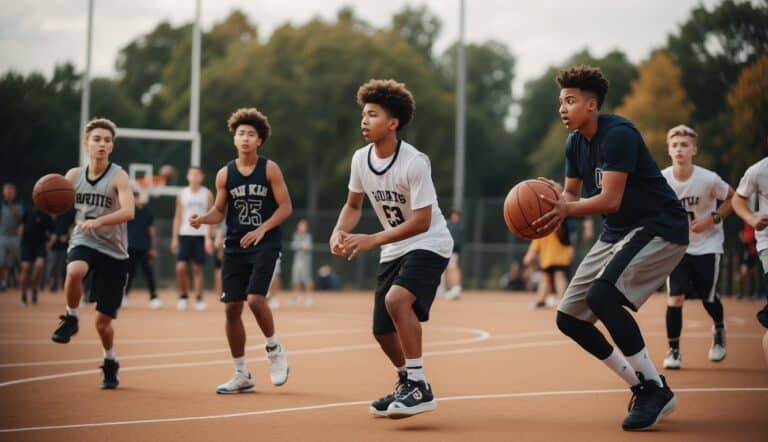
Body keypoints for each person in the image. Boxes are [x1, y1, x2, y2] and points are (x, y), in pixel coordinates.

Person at [534, 66, 689, 431]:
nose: (563, 108)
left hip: (658, 225)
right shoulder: (574, 142)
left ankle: (655, 387)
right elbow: (572, 194)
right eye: (561, 101)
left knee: (603, 296)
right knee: (569, 318)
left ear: (592, 105)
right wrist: (554, 200)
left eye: (570, 101)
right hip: (618, 231)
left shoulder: (618, 134)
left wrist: (567, 208)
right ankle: (640, 384)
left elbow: (610, 199)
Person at [329, 79, 453, 418]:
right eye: (363, 114)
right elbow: (353, 206)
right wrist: (340, 230)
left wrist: (371, 239)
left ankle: (420, 386)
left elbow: (422, 221)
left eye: (372, 114)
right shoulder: (360, 159)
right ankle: (406, 381)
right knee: (382, 330)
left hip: (429, 242)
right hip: (395, 247)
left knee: (397, 300)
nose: (364, 121)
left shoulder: (414, 162)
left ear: (393, 123)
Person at [190, 107, 291, 394]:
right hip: (235, 246)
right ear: (234, 139)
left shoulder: (269, 169)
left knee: (255, 300)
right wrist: (203, 219)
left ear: (259, 140)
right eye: (240, 133)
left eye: (251, 134)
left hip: (265, 243)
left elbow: (286, 207)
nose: (245, 138)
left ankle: (274, 349)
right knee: (232, 308)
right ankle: (241, 373)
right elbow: (219, 211)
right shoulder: (225, 174)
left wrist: (262, 229)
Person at [49, 117, 135, 390]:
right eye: (97, 139)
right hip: (85, 239)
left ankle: (110, 361)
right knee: (75, 271)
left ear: (112, 147)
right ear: (87, 143)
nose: (102, 144)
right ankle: (71, 316)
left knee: (102, 324)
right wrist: (51, 207)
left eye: (107, 140)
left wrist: (99, 220)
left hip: (114, 251)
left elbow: (129, 212)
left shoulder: (118, 176)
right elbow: (58, 202)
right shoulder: (73, 176)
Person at [660, 124, 734, 369]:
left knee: (708, 297)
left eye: (684, 145)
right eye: (675, 145)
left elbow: (734, 198)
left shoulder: (708, 178)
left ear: (694, 150)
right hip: (678, 246)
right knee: (675, 297)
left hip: (708, 244)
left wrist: (711, 220)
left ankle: (719, 330)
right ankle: (674, 351)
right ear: (669, 150)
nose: (679, 149)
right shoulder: (662, 179)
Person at [731, 156, 768, 366]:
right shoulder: (759, 170)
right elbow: (737, 199)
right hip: (765, 243)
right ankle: (742, 291)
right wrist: (752, 219)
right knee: (747, 270)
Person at [171, 166, 213, 311]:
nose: (194, 176)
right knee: (180, 268)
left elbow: (210, 217)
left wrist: (208, 238)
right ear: (188, 176)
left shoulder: (207, 193)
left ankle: (199, 298)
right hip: (184, 234)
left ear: (202, 176)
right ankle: (183, 296)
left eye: (197, 174)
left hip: (200, 235)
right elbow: (177, 216)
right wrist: (175, 238)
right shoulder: (182, 194)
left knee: (197, 268)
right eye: (191, 174)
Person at [523, 220, 573, 309]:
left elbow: (567, 240)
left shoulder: (559, 226)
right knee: (545, 279)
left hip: (559, 256)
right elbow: (536, 244)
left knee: (559, 276)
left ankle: (561, 301)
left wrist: (530, 255)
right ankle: (542, 301)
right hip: (548, 258)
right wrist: (530, 254)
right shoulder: (541, 231)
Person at [125, 186, 160, 309]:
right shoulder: (127, 211)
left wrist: (153, 248)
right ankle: (124, 296)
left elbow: (152, 231)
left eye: (136, 196)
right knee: (129, 273)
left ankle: (154, 297)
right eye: (132, 196)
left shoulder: (147, 212)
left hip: (144, 247)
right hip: (129, 247)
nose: (134, 198)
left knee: (149, 273)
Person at [19, 206, 52, 305]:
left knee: (39, 266)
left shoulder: (47, 215)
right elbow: (21, 225)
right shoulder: (27, 210)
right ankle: (24, 293)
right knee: (25, 268)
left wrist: (49, 244)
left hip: (40, 245)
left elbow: (53, 232)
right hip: (27, 244)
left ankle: (34, 288)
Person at [0, 183, 23, 291]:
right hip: (2, 236)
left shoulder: (18, 205)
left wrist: (11, 205)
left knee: (16, 261)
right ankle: (3, 283)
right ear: (3, 192)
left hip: (15, 237)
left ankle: (21, 282)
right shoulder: (1, 204)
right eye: (7, 191)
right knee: (2, 261)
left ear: (14, 193)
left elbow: (21, 219)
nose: (9, 193)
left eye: (11, 191)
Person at [45, 208, 75, 292]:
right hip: (52, 245)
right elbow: (46, 228)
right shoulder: (49, 213)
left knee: (61, 266)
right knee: (51, 265)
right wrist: (51, 238)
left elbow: (73, 225)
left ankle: (57, 284)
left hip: (64, 245)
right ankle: (49, 283)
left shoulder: (68, 214)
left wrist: (67, 236)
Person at [290, 218, 314, 306]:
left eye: (303, 226)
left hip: (306, 261)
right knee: (296, 279)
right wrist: (301, 246)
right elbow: (293, 246)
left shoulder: (308, 236)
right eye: (300, 225)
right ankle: (296, 298)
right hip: (297, 261)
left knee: (307, 279)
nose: (301, 227)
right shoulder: (296, 235)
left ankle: (309, 298)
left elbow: (307, 247)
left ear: (306, 227)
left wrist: (301, 246)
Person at [444, 209, 464, 300]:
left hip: (453, 251)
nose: (456, 217)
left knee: (453, 267)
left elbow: (456, 242)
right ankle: (452, 289)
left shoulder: (457, 226)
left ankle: (456, 288)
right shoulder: (449, 224)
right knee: (449, 269)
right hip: (447, 250)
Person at [738, 219, 759, 299]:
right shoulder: (744, 222)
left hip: (754, 252)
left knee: (752, 273)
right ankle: (740, 292)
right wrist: (744, 239)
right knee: (743, 272)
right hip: (747, 251)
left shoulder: (756, 222)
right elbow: (740, 235)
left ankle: (752, 293)